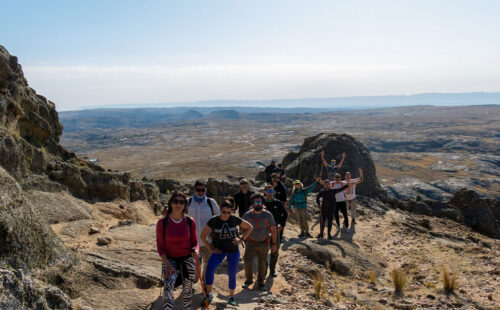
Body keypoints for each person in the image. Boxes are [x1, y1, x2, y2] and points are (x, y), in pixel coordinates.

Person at [200, 199, 253, 306]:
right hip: (219, 249)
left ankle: (231, 297)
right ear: (220, 210)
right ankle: (209, 294)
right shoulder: (214, 220)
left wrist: (241, 239)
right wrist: (211, 249)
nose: (226, 215)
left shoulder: (234, 219)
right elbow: (202, 236)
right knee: (210, 269)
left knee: (232, 274)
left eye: (229, 212)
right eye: (224, 212)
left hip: (233, 250)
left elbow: (249, 227)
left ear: (232, 212)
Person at [156, 192, 199, 310]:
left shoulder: (190, 221)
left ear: (185, 205)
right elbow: (160, 246)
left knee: (187, 288)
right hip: (169, 258)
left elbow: (195, 242)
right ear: (170, 203)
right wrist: (167, 264)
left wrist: (196, 250)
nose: (178, 204)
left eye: (182, 202)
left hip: (187, 258)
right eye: (175, 201)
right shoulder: (162, 223)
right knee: (169, 285)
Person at [242, 193, 278, 291]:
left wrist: (274, 243)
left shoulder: (268, 215)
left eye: (259, 202)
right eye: (256, 202)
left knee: (262, 263)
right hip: (250, 242)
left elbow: (273, 229)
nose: (258, 204)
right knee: (247, 261)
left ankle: (261, 282)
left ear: (262, 203)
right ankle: (248, 280)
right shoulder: (247, 215)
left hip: (264, 243)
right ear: (252, 203)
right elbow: (241, 228)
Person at [187, 180, 220, 283]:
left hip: (208, 240)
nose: (200, 192)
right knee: (195, 265)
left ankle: (206, 286)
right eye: (198, 190)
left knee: (208, 265)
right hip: (193, 241)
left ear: (205, 190)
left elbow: (219, 217)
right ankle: (194, 281)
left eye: (202, 190)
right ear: (194, 190)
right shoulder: (188, 201)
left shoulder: (211, 202)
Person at [263, 184, 287, 277]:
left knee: (274, 250)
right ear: (265, 192)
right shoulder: (262, 203)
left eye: (271, 191)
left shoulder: (278, 203)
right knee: (264, 250)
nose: (270, 193)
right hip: (264, 231)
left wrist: (281, 224)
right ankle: (264, 269)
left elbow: (284, 214)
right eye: (268, 191)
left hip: (275, 230)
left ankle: (272, 269)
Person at [271, 173, 288, 242]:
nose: (275, 178)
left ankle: (279, 237)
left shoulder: (281, 186)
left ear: (278, 178)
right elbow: (265, 195)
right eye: (273, 177)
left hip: (280, 206)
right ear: (271, 178)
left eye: (276, 177)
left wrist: (284, 208)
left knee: (280, 221)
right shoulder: (270, 185)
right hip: (271, 205)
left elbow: (285, 198)